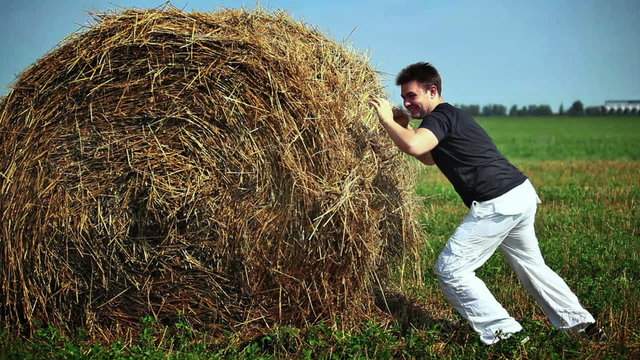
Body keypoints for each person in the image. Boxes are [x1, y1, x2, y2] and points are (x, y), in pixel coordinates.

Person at [370, 62, 602, 345]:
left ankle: (505, 335)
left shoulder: (440, 117)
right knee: (532, 266)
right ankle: (581, 324)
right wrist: (403, 127)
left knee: (451, 269)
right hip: (518, 194)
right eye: (404, 98)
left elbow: (416, 146)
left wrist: (386, 120)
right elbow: (428, 157)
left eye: (412, 96)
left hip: (498, 202)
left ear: (433, 91)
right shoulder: (449, 117)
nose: (407, 102)